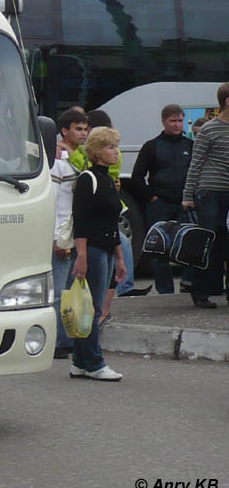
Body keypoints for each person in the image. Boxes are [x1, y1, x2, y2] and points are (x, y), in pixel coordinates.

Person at [69, 126, 127, 381]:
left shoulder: (109, 180)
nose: (116, 152)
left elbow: (111, 223)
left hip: (106, 249)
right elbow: (80, 221)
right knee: (91, 308)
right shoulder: (87, 179)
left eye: (115, 146)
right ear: (96, 152)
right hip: (90, 249)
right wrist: (81, 256)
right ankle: (94, 363)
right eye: (110, 147)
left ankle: (80, 362)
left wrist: (120, 257)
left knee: (89, 307)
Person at [131, 104, 193, 294]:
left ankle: (187, 283)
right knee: (160, 249)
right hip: (160, 204)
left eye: (180, 120)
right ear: (163, 121)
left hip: (185, 203)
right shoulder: (152, 146)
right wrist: (152, 197)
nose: (177, 125)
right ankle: (165, 290)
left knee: (189, 246)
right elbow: (137, 177)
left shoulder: (190, 145)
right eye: (173, 121)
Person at [182, 83, 229, 309]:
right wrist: (187, 195)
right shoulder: (210, 129)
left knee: (224, 241)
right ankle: (200, 292)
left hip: (227, 190)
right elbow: (196, 163)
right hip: (209, 189)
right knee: (207, 239)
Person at [50, 107, 88, 358]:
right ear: (64, 131)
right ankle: (55, 342)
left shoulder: (81, 157)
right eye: (78, 129)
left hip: (77, 233)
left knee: (72, 289)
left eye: (86, 129)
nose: (83, 133)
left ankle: (69, 338)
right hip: (61, 233)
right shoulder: (59, 159)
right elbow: (53, 201)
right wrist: (55, 237)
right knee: (58, 290)